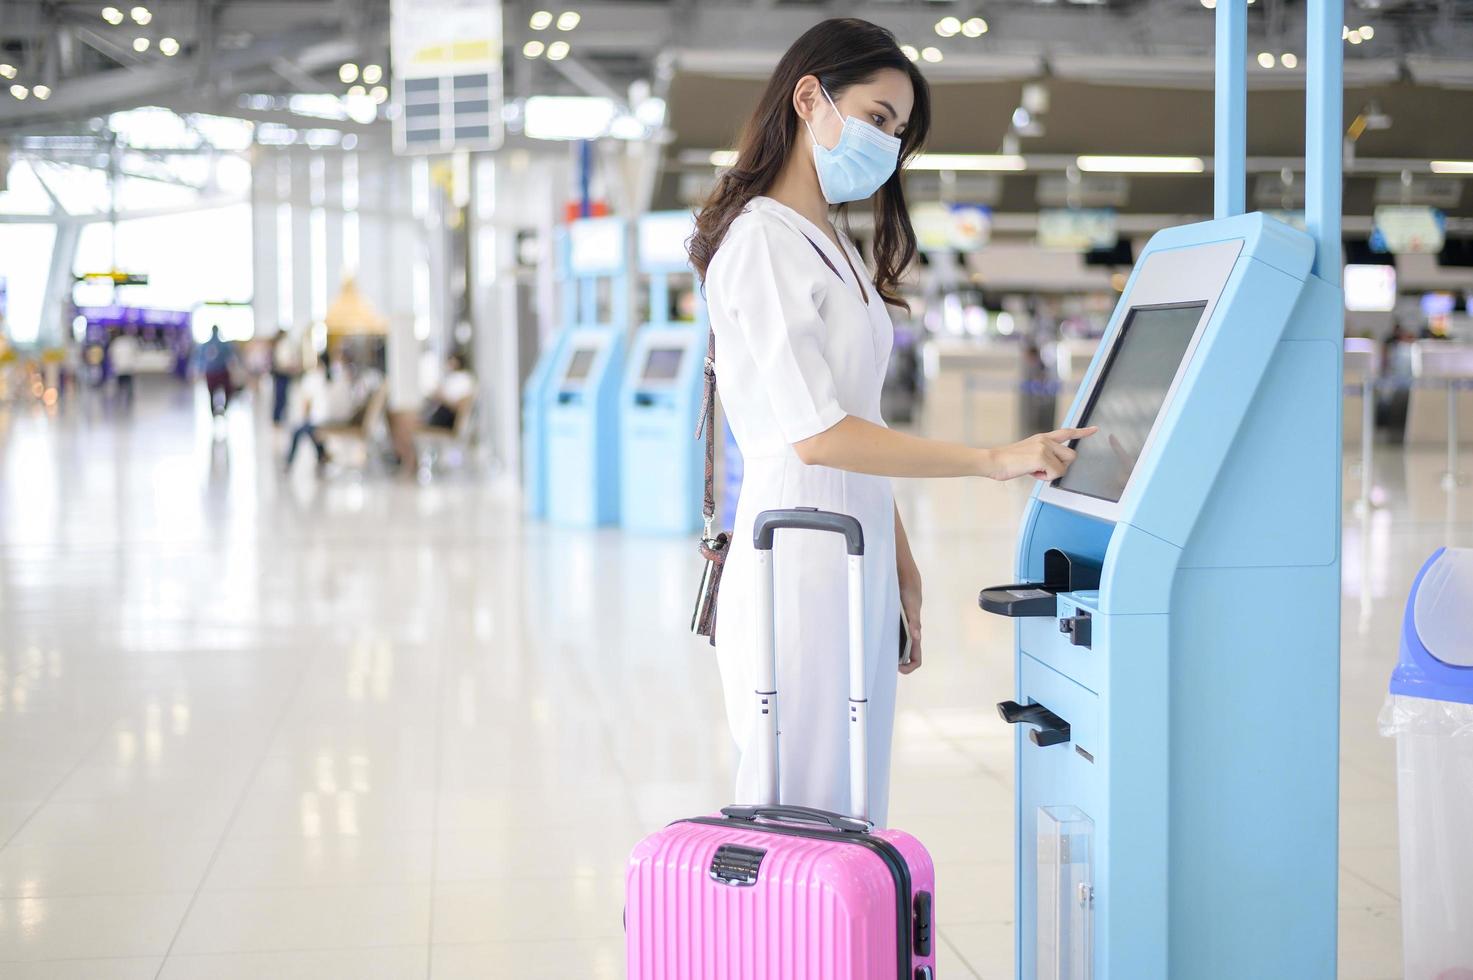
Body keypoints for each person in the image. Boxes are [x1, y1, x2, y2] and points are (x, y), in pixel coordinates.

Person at [689, 18, 1094, 827]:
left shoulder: (828, 243)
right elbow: (816, 434)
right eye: (876, 118)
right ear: (809, 98)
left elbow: (857, 422)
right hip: (796, 559)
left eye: (897, 132)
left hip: (851, 548)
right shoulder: (761, 243)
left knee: (851, 798)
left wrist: (900, 559)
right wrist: (992, 458)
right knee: (798, 805)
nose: (887, 143)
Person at [285, 350, 357, 470]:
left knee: (300, 431)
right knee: (310, 429)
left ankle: (290, 463)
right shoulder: (341, 376)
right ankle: (322, 455)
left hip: (326, 420)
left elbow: (307, 405)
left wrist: (305, 417)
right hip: (344, 417)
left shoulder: (314, 378)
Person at [423, 352, 476, 431]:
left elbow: (461, 403)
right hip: (443, 410)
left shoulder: (465, 379)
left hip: (450, 415)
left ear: (458, 362)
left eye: (452, 361)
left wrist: (444, 399)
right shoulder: (451, 377)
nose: (449, 364)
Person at [196, 326, 238, 417]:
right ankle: (215, 413)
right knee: (213, 394)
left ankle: (221, 410)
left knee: (226, 391)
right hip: (213, 372)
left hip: (219, 372)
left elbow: (231, 357)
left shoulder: (223, 345)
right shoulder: (207, 345)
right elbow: (201, 359)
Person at [270, 329, 299, 425]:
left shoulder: (282, 345)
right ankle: (277, 418)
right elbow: (280, 362)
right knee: (280, 397)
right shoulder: (280, 345)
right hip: (281, 374)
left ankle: (280, 418)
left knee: (284, 397)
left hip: (284, 374)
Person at [108, 331, 139, 407]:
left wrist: (114, 364)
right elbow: (135, 354)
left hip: (120, 367)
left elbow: (111, 354)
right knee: (128, 383)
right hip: (128, 367)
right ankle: (128, 398)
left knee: (120, 384)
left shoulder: (116, 343)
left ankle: (119, 397)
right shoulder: (130, 342)